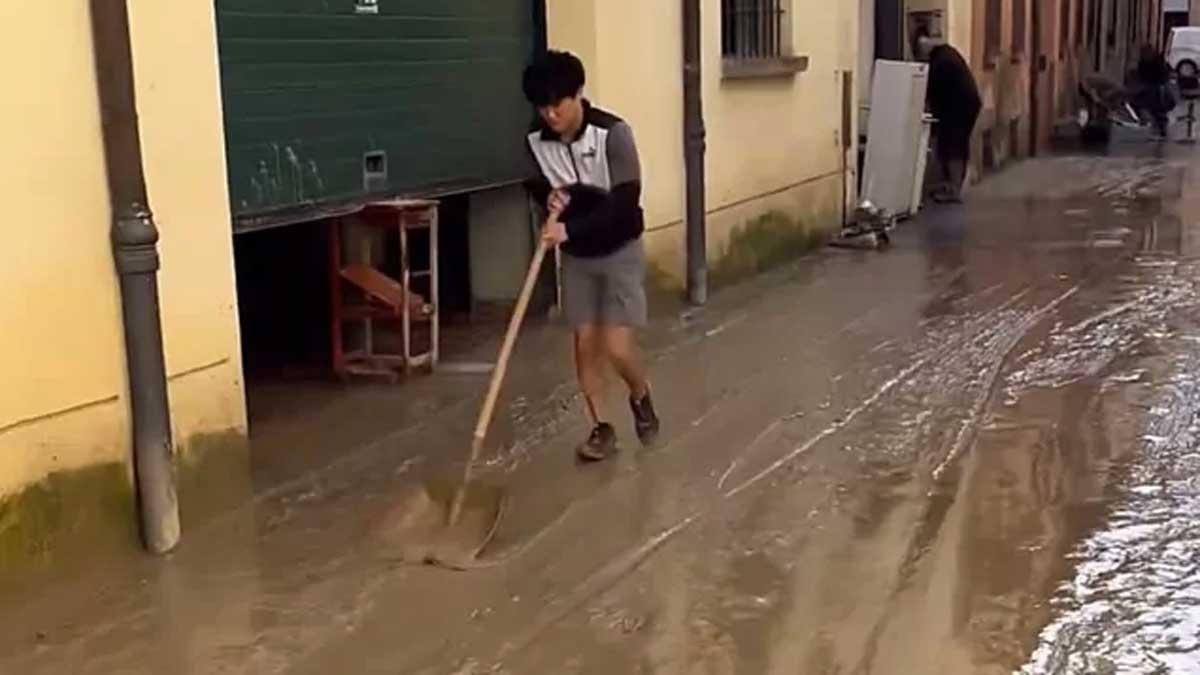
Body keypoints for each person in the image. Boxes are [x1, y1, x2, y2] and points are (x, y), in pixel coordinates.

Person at [520, 50, 660, 462]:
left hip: (619, 249)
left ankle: (640, 395)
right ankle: (602, 428)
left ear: (578, 95)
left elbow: (625, 202)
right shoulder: (535, 140)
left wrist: (570, 228)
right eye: (542, 107)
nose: (550, 115)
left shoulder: (613, 135)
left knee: (617, 347)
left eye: (557, 105)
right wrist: (548, 196)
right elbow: (533, 182)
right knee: (584, 344)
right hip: (577, 257)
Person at [915, 33, 982, 204]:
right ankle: (952, 185)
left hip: (959, 107)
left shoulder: (940, 61)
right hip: (965, 104)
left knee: (953, 145)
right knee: (956, 143)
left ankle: (953, 189)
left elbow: (931, 90)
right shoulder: (947, 54)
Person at [1132, 44, 1173, 138]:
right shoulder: (1143, 62)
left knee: (1158, 108)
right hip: (1148, 87)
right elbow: (1141, 74)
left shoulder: (1157, 61)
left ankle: (1161, 128)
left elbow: (1163, 75)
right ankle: (1152, 123)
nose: (1144, 55)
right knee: (1140, 103)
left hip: (1157, 87)